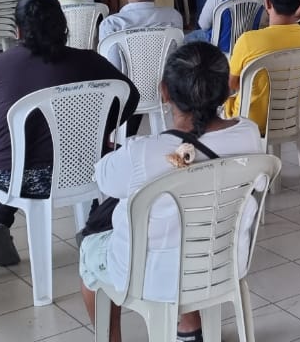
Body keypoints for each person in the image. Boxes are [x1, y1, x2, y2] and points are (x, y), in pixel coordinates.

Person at [80, 42, 264, 342]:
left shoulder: (143, 153)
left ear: (164, 91)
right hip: (223, 263)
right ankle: (190, 327)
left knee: (90, 249)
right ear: (225, 90)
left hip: (152, 276)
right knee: (188, 227)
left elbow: (103, 180)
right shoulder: (249, 133)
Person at [0, 0, 138, 266]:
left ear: (18, 31)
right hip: (80, 168)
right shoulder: (90, 61)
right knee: (127, 164)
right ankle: (95, 227)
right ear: (63, 27)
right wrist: (99, 134)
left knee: (20, 155)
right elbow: (129, 97)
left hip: (7, 174)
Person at [222, 0, 300, 134]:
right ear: (299, 3)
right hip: (288, 119)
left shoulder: (248, 40)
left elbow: (232, 84)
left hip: (247, 122)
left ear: (267, 3)